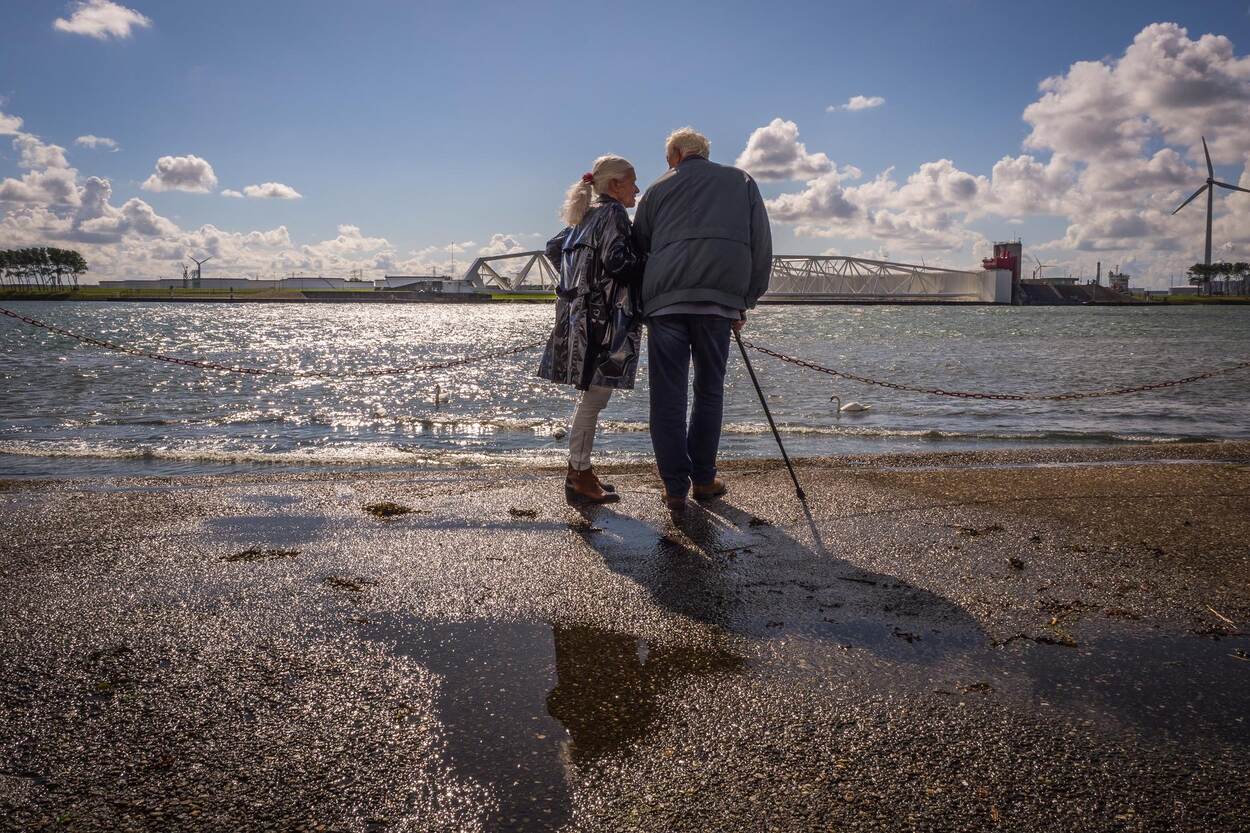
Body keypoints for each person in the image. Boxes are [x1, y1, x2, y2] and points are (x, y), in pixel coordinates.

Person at [633, 127, 772, 512]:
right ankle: (705, 479)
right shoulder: (741, 180)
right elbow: (761, 243)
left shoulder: (657, 190)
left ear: (676, 154)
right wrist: (745, 300)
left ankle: (675, 488)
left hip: (665, 304)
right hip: (717, 304)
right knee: (709, 391)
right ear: (703, 153)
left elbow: (640, 246)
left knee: (668, 397)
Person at [538, 155, 644, 504]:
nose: (637, 189)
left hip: (578, 319)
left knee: (591, 399)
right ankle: (578, 475)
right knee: (594, 399)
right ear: (615, 185)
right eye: (632, 182)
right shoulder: (613, 213)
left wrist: (580, 282)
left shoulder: (586, 214)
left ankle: (581, 471)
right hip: (603, 324)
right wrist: (653, 257)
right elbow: (618, 262)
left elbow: (554, 249)